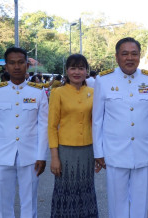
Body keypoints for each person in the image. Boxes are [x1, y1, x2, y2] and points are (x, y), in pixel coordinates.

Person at [92, 37, 148, 218]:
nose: (129, 58)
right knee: (117, 204)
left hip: (144, 151)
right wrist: (98, 152)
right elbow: (97, 119)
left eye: (134, 54)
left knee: (141, 204)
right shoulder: (103, 80)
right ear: (117, 57)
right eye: (124, 54)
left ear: (140, 56)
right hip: (114, 152)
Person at [0, 47, 48, 217]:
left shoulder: (38, 92)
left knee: (29, 204)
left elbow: (43, 126)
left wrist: (41, 156)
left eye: (20, 62)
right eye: (12, 63)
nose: (16, 67)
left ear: (27, 65)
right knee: (3, 206)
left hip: (30, 156)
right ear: (6, 66)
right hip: (1, 156)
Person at [49, 54, 98, 217]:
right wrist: (54, 157)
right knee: (65, 190)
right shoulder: (58, 93)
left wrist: (99, 154)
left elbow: (97, 125)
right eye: (73, 68)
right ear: (67, 71)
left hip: (88, 151)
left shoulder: (93, 92)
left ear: (86, 71)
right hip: (65, 151)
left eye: (81, 68)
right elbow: (51, 127)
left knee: (86, 189)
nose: (77, 72)